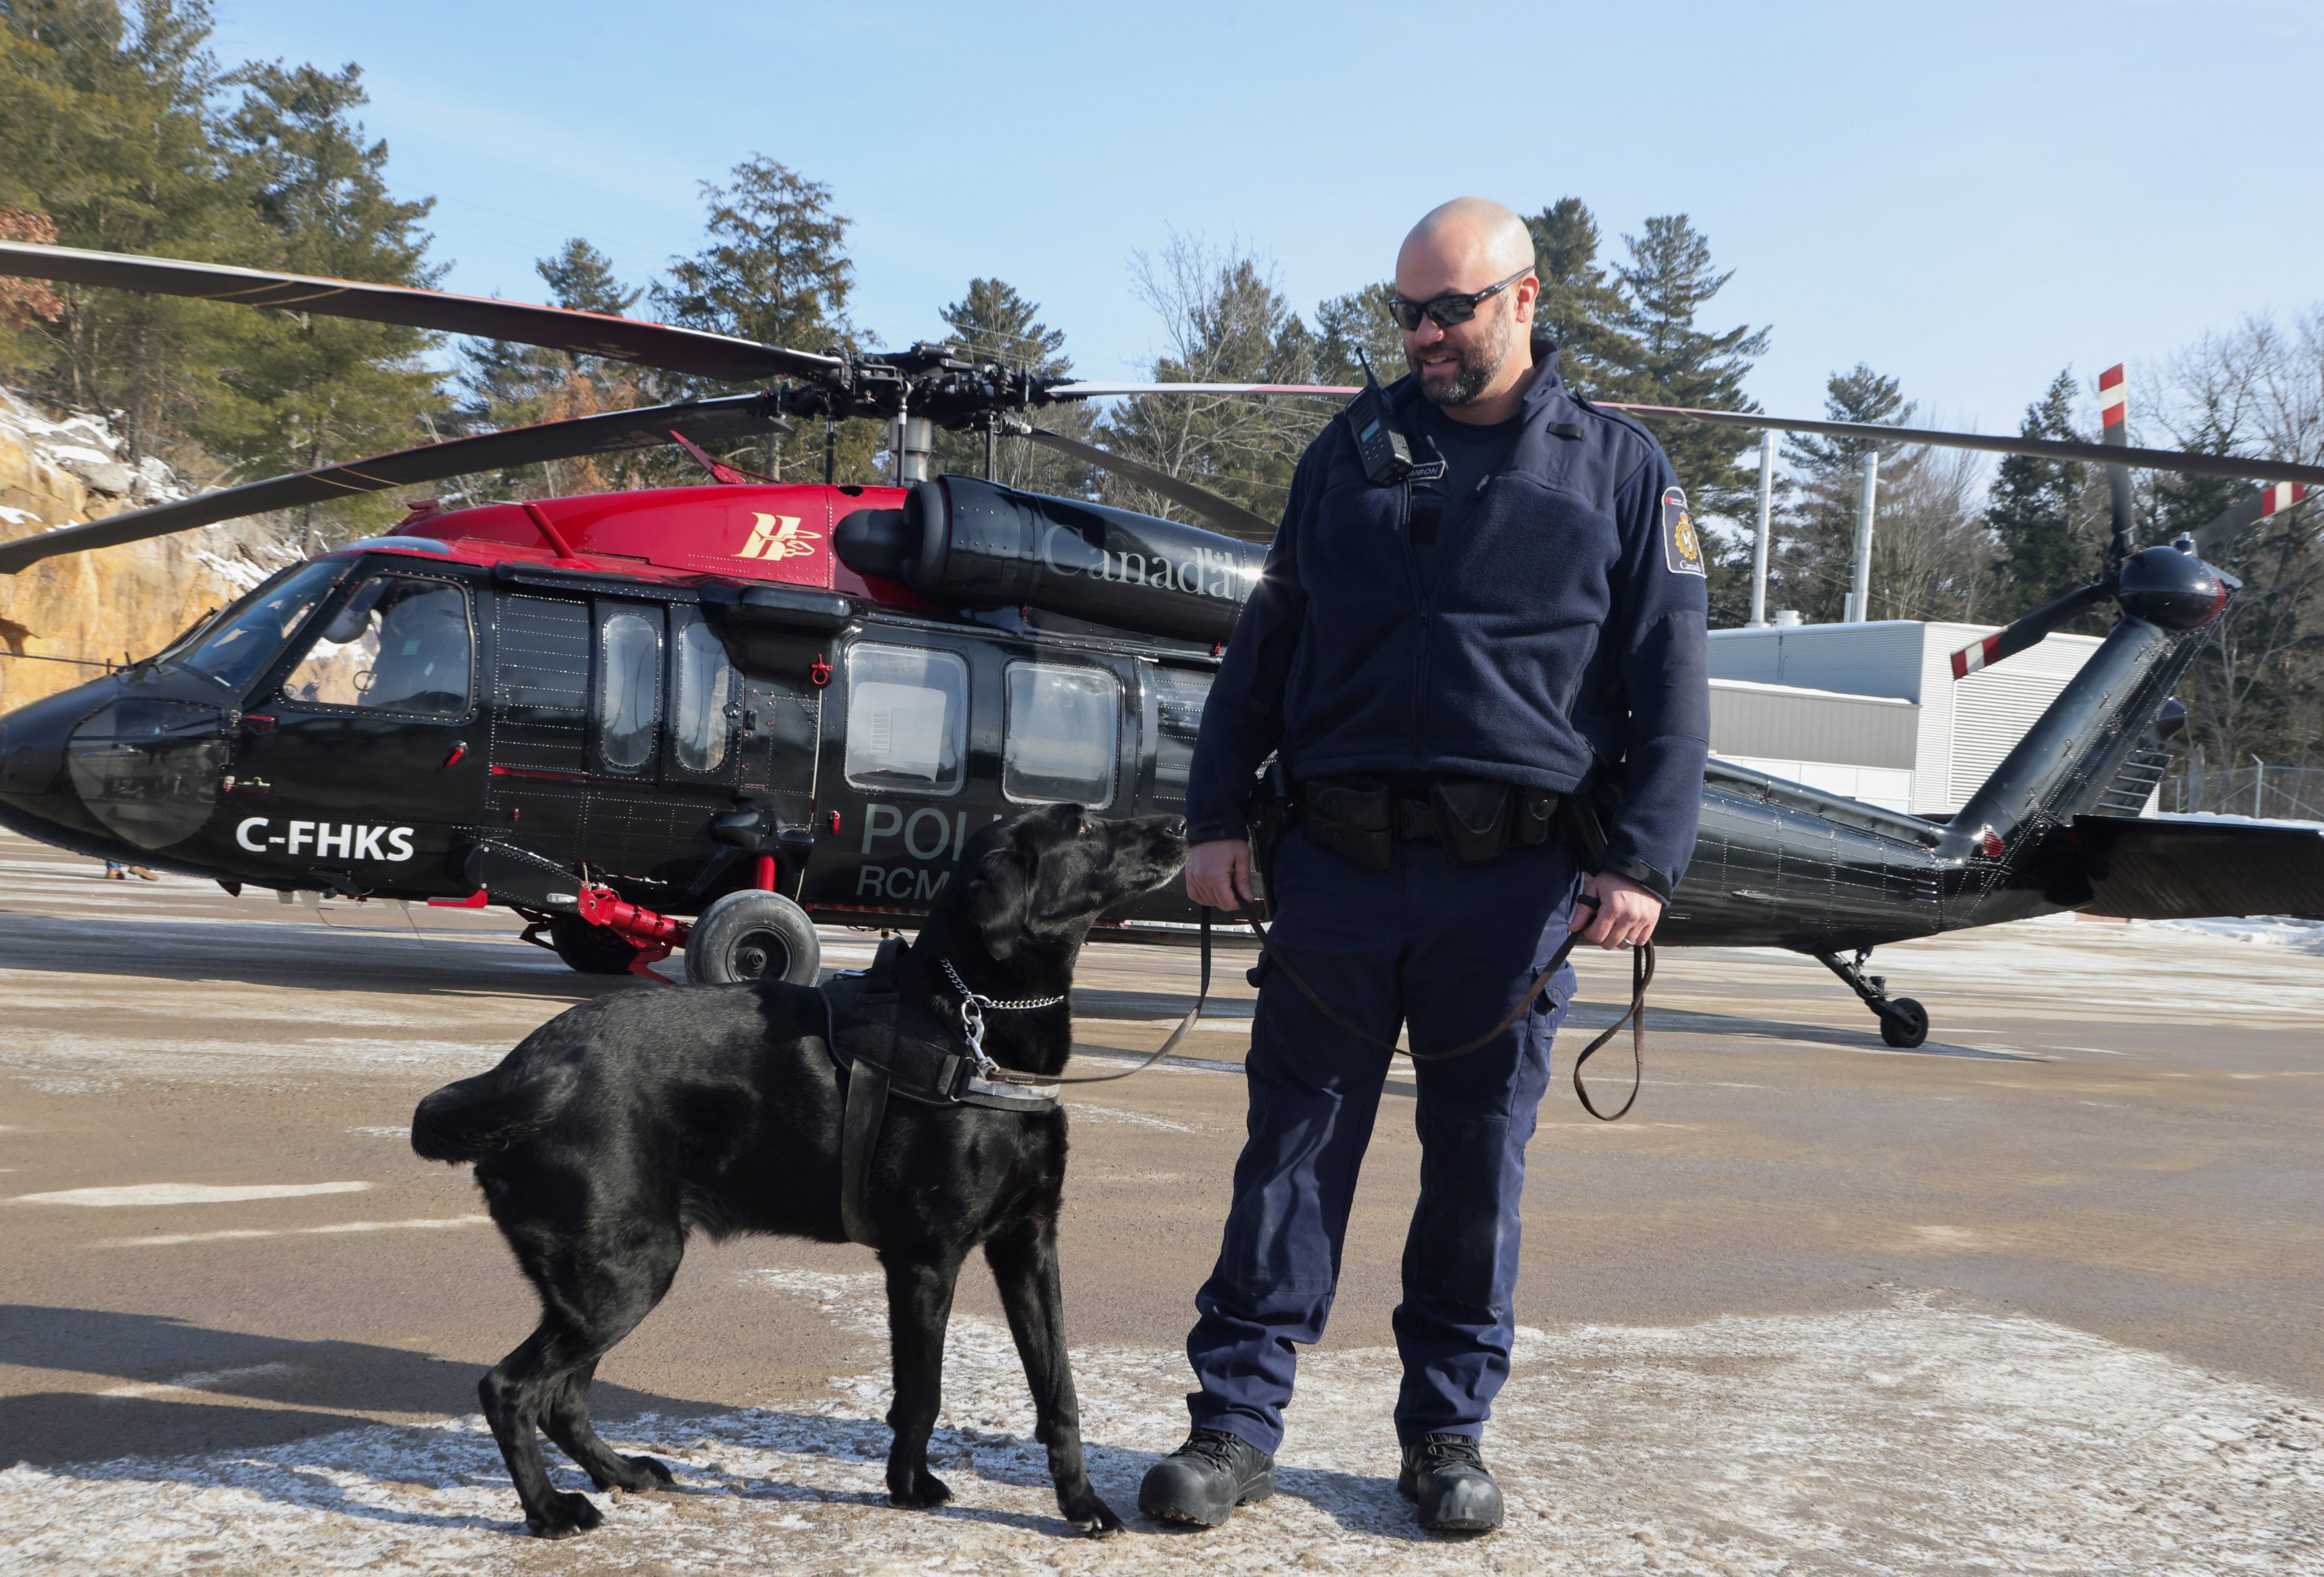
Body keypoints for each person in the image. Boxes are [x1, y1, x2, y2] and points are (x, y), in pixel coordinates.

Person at [1138, 197, 1709, 1534]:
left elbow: (1670, 686)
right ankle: (1232, 1422)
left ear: (1522, 299)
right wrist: (1214, 817)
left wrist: (1642, 862)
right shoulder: (1347, 453)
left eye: (1448, 308)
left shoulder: (1617, 471)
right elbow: (1264, 646)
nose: (1421, 333)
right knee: (1287, 1147)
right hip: (1334, 870)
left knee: (1474, 1164)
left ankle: (1444, 1435)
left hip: (1510, 887)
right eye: (1404, 310)